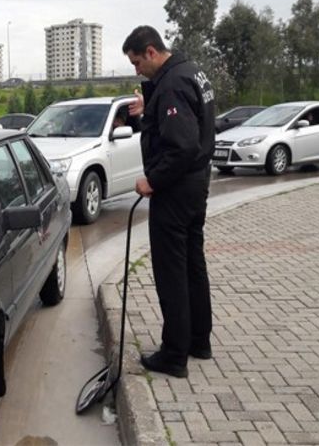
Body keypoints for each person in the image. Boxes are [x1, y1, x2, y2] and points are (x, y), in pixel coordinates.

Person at [123, 25, 216, 378]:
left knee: (172, 271)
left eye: (136, 62)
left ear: (150, 51)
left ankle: (174, 354)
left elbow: (181, 146)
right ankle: (198, 340)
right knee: (193, 263)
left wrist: (152, 180)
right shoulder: (190, 70)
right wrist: (153, 107)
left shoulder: (174, 83)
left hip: (175, 190)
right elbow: (191, 124)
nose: (136, 70)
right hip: (197, 185)